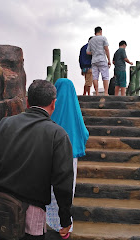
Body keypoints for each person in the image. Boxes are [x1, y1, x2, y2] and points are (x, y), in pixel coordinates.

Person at [0, 80, 74, 240]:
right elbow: (63, 182)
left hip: (2, 206)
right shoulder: (57, 135)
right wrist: (65, 219)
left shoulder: (4, 124)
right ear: (53, 104)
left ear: (27, 101)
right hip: (32, 213)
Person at [46, 78, 89, 237]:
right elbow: (84, 133)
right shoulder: (74, 108)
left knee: (50, 188)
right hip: (69, 156)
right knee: (65, 189)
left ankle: (49, 220)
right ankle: (65, 227)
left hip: (49, 155)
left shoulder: (52, 108)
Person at [86, 26, 111, 96]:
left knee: (95, 77)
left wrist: (94, 53)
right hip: (102, 59)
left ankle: (96, 92)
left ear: (95, 32)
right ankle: (106, 92)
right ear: (101, 31)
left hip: (94, 60)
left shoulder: (91, 40)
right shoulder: (103, 38)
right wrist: (109, 60)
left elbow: (87, 52)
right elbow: (106, 49)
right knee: (105, 76)